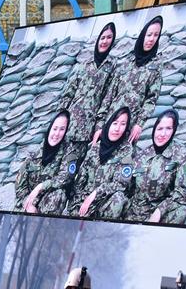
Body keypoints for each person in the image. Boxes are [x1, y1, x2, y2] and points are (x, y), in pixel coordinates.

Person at [94, 15, 165, 145]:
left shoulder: (156, 67)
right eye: (149, 35)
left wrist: (139, 124)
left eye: (156, 35)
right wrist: (99, 125)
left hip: (130, 126)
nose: (151, 39)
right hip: (110, 122)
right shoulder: (126, 62)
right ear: (143, 35)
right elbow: (109, 95)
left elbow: (151, 99)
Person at [55, 21, 118, 155]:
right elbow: (69, 93)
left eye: (109, 38)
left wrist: (99, 127)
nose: (105, 41)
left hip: (88, 129)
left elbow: (107, 100)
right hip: (69, 125)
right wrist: (60, 117)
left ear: (113, 41)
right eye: (102, 37)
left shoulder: (112, 68)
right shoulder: (84, 65)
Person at [127, 109, 186, 224]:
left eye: (168, 128)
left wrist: (160, 210)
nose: (163, 134)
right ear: (154, 130)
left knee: (181, 211)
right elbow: (129, 187)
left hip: (163, 215)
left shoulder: (183, 154)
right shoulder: (142, 155)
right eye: (159, 129)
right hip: (137, 212)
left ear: (174, 131)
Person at [67, 106, 136, 219]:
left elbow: (121, 183)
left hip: (104, 201)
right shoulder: (95, 148)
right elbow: (81, 179)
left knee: (118, 198)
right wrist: (79, 202)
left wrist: (95, 194)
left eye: (123, 124)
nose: (117, 128)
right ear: (108, 124)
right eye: (115, 123)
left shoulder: (127, 150)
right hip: (84, 200)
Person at [14, 110, 82, 215]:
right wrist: (28, 205)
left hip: (48, 202)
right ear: (50, 128)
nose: (57, 134)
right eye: (55, 128)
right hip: (28, 202)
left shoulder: (70, 152)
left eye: (62, 129)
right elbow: (20, 185)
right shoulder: (35, 152)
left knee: (59, 194)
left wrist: (42, 186)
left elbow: (66, 177)